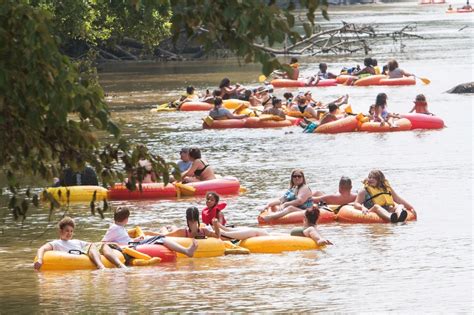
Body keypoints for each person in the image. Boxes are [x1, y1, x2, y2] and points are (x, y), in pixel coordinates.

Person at [34, 217, 126, 270]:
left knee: (100, 245)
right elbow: (42, 249)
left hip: (86, 252)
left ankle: (120, 265)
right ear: (60, 231)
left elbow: (93, 244)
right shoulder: (56, 243)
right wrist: (40, 260)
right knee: (92, 246)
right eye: (67, 231)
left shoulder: (76, 241)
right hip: (76, 256)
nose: (69, 233)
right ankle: (100, 266)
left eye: (71, 231)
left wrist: (111, 243)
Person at [102, 207, 198, 257]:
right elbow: (103, 242)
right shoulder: (114, 228)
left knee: (154, 238)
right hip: (130, 247)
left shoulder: (119, 227)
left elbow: (123, 239)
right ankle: (186, 251)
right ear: (126, 219)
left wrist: (134, 239)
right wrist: (119, 244)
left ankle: (186, 250)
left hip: (132, 244)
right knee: (161, 238)